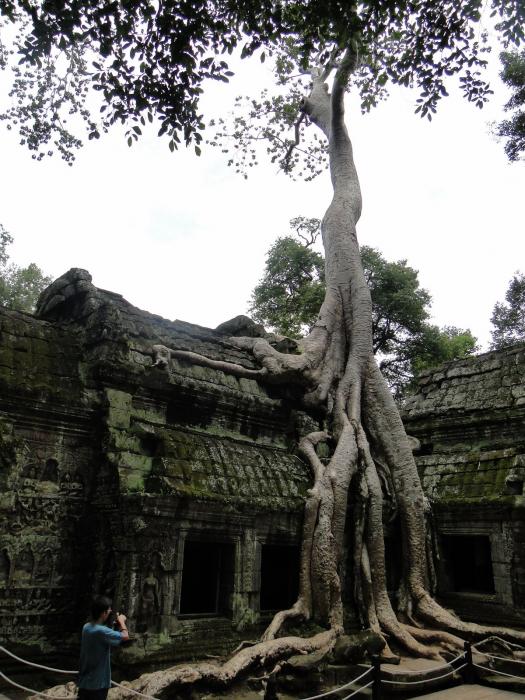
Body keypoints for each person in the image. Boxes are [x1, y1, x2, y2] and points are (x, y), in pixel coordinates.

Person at [78, 595, 129, 699]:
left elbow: (110, 640)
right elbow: (125, 636)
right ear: (103, 613)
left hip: (85, 682)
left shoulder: (86, 627)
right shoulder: (101, 631)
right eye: (109, 609)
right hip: (98, 684)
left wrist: (115, 626)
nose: (110, 611)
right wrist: (122, 622)